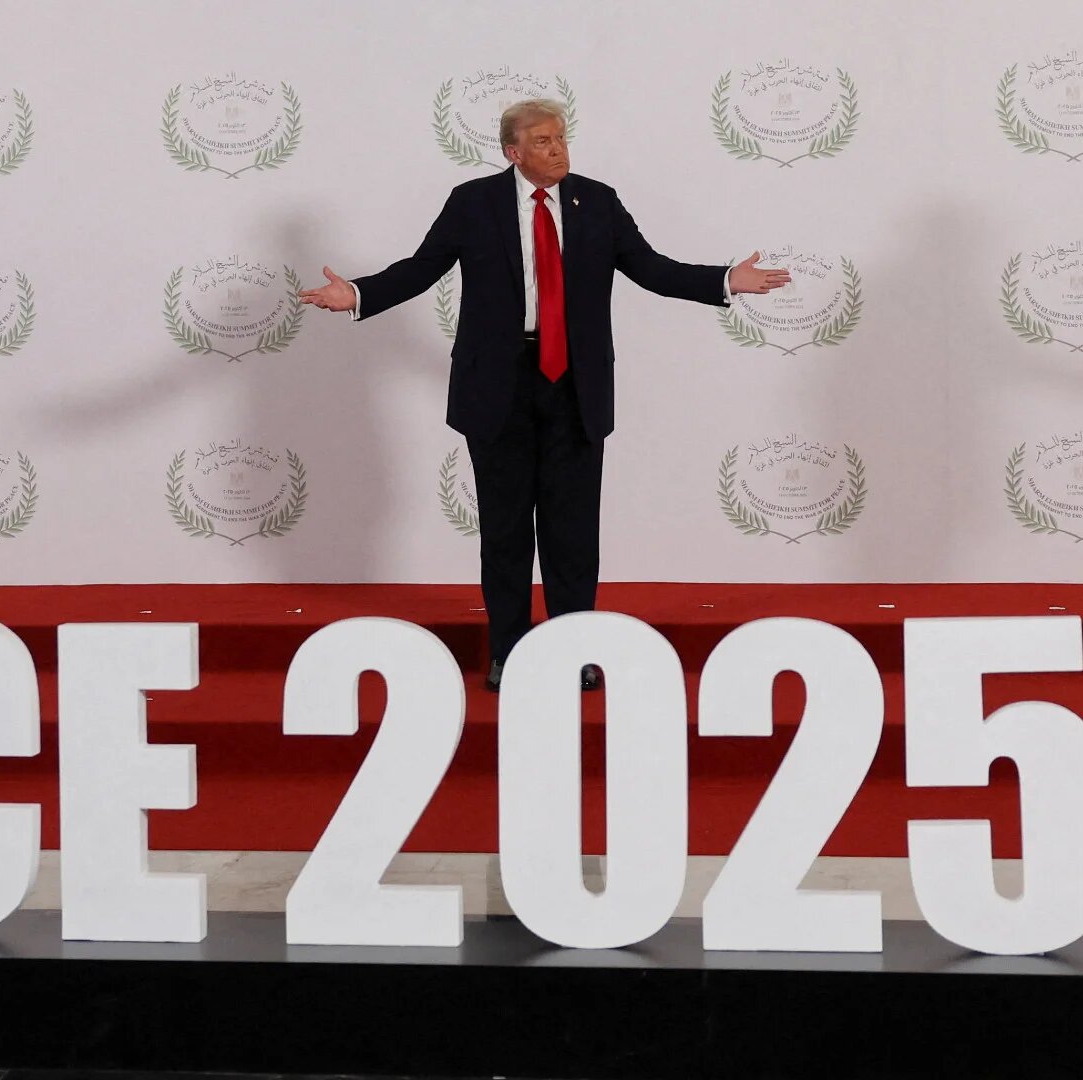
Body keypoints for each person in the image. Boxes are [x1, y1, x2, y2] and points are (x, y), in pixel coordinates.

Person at [300, 98, 790, 692]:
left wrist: (723, 280)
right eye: (542, 141)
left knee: (573, 532)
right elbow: (421, 267)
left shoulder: (598, 201)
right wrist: (356, 294)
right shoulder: (473, 203)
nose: (558, 149)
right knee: (505, 531)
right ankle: (507, 652)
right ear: (513, 152)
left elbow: (651, 267)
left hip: (575, 385)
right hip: (497, 386)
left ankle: (574, 648)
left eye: (561, 138)